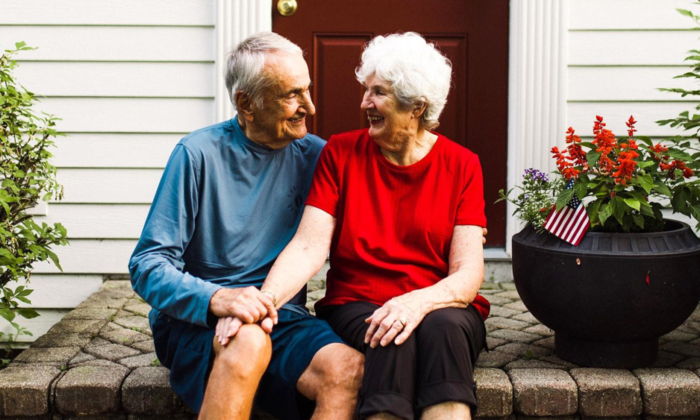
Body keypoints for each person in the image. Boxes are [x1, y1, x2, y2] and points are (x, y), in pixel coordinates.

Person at [220, 32, 490, 420]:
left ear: (416, 106)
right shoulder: (341, 153)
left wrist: (415, 302)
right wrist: (264, 303)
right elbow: (309, 246)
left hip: (439, 303)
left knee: (442, 328)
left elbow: (467, 274)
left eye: (378, 92)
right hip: (356, 303)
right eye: (366, 90)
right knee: (388, 335)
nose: (365, 103)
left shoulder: (462, 164)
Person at [128, 32, 363, 420]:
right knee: (249, 341)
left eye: (307, 90)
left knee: (347, 370)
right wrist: (219, 300)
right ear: (246, 103)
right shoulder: (197, 155)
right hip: (197, 323)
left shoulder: (319, 157)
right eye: (291, 95)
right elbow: (147, 265)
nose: (310, 106)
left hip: (280, 315)